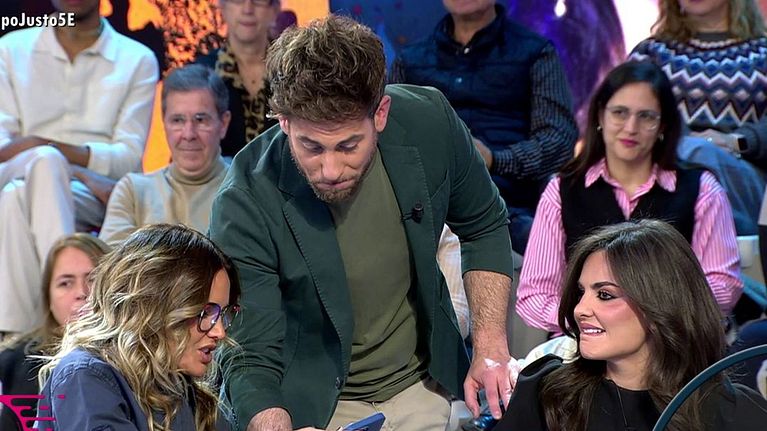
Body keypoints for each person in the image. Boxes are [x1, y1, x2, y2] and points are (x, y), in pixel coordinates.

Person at [209, 15, 515, 431]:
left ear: (381, 113)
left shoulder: (430, 123)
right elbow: (249, 353)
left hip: (421, 388)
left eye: (349, 145)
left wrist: (490, 346)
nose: (331, 169)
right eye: (311, 146)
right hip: (313, 407)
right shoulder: (244, 199)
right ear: (283, 122)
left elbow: (484, 224)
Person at [516, 61, 742, 334]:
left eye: (646, 116)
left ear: (663, 125)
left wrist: (649, 320)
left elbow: (723, 286)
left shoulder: (702, 189)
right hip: (582, 342)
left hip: (671, 341)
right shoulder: (561, 191)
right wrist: (592, 321)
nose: (631, 127)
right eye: (620, 113)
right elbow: (535, 296)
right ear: (600, 116)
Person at [497, 220, 767, 431]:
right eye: (581, 292)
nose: (579, 310)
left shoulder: (734, 413)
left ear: (660, 305)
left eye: (605, 295)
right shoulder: (546, 395)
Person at [0, 0, 159, 334]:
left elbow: (128, 156)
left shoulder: (136, 59)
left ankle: (16, 340)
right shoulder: (11, 49)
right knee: (44, 164)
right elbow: (3, 147)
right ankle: (71, 321)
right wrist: (65, 161)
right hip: (22, 168)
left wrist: (53, 155)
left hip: (92, 192)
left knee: (15, 198)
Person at [392, 0, 578, 254]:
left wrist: (495, 159)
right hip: (426, 207)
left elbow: (558, 140)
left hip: (507, 208)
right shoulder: (411, 60)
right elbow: (389, 135)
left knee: (545, 246)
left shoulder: (535, 52)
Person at [35, 224, 240, 430]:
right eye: (205, 312)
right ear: (152, 306)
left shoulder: (186, 391)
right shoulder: (85, 377)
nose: (220, 332)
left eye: (223, 314)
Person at [629, 0, 767, 236]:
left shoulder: (762, 54)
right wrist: (679, 139)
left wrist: (737, 141)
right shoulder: (650, 53)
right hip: (665, 165)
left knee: (698, 153)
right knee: (688, 152)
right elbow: (627, 111)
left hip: (743, 173)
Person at [99, 64, 230, 246]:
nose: (188, 134)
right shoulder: (133, 191)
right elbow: (111, 262)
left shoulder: (245, 189)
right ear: (164, 123)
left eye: (200, 120)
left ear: (223, 124)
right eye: (178, 120)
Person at [0, 233, 109, 431]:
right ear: (48, 298)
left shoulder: (143, 360)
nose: (81, 292)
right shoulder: (10, 363)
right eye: (65, 283)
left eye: (93, 279)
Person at [195, 0, 279, 158]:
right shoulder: (201, 74)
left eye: (258, 1)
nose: (248, 9)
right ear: (223, 7)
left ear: (274, 9)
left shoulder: (295, 71)